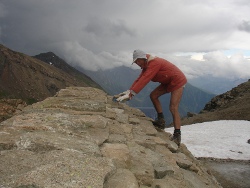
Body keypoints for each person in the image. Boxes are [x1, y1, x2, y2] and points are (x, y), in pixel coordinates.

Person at [114, 50, 187, 146]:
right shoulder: (146, 64)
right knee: (153, 96)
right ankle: (161, 121)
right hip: (167, 81)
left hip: (178, 81)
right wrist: (129, 91)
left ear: (142, 59)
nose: (136, 64)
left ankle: (177, 135)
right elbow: (140, 78)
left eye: (137, 61)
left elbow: (145, 79)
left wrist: (132, 94)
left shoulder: (154, 63)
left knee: (173, 107)